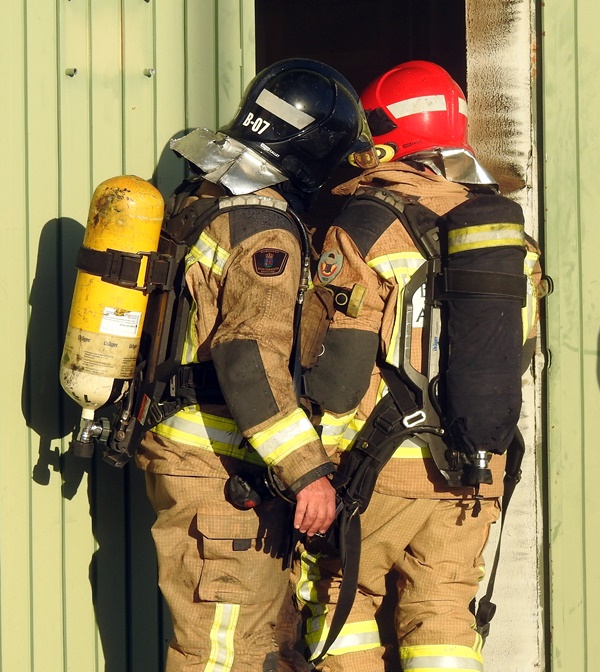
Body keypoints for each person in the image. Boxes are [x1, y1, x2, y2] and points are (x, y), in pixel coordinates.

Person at [294, 60, 544, 672]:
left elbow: (338, 378)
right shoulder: (505, 234)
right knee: (443, 615)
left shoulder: (365, 223)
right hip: (474, 462)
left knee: (342, 601)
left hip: (381, 467)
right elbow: (520, 352)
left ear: (385, 135)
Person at [134, 58, 371, 671]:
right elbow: (247, 354)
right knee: (222, 649)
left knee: (259, 646)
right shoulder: (266, 227)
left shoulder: (203, 195)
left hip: (193, 453)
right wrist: (307, 471)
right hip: (214, 465)